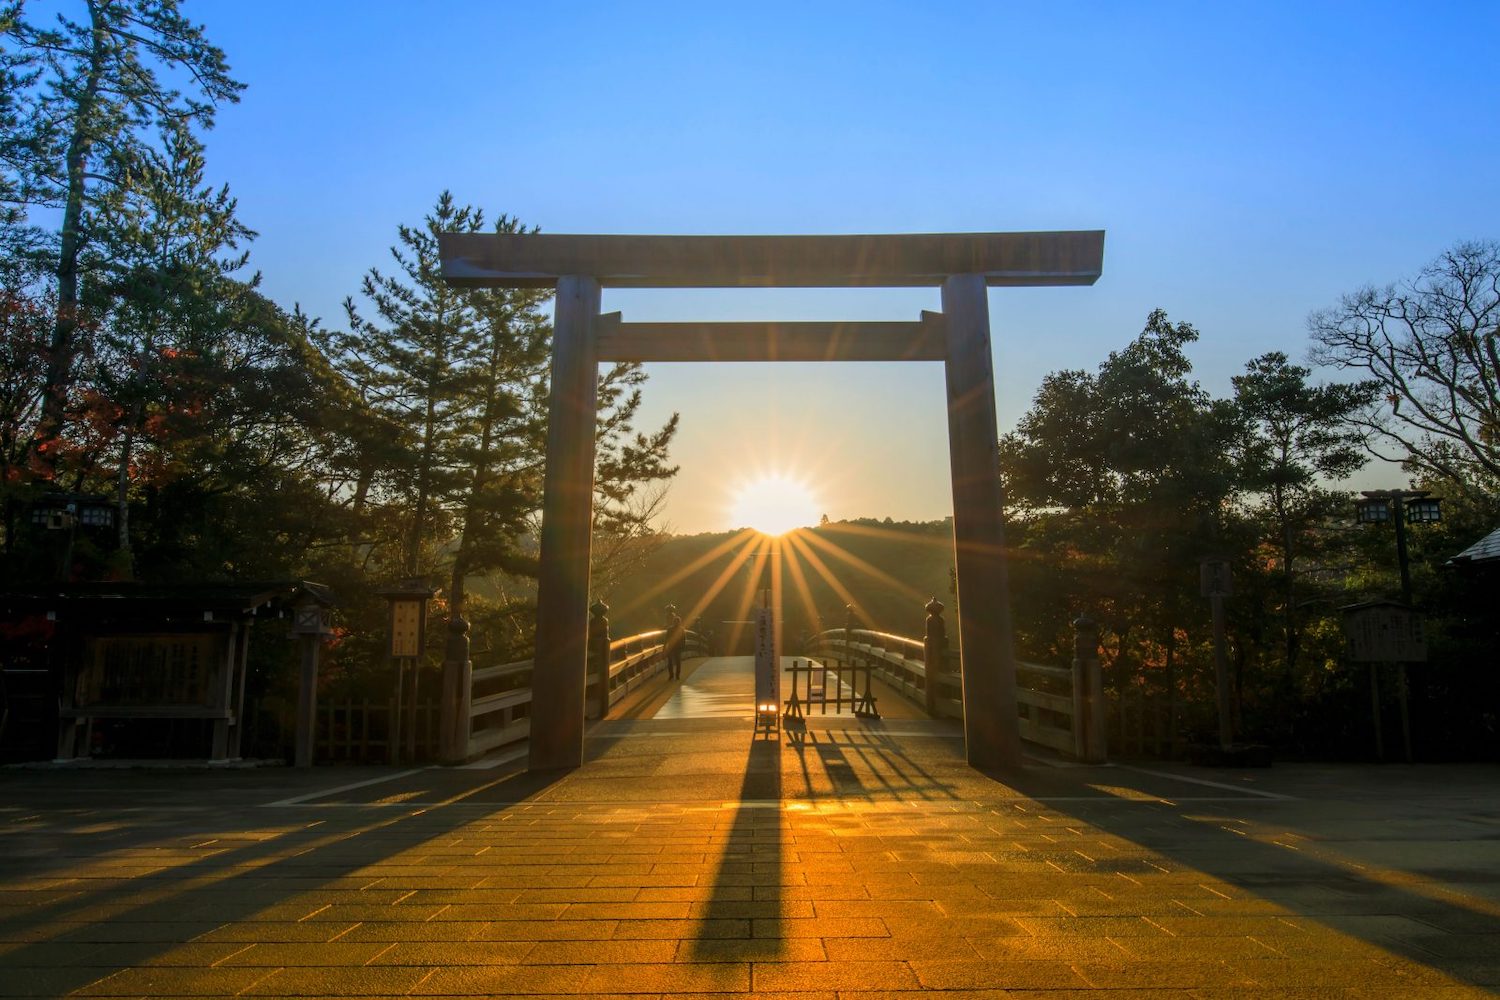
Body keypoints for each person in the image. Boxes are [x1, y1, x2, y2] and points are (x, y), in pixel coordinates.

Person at [664, 605, 684, 680]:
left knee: (671, 662)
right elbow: (683, 640)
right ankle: (676, 675)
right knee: (676, 662)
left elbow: (666, 640)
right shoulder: (681, 629)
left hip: (672, 647)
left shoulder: (670, 629)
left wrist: (664, 648)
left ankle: (672, 675)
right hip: (676, 647)